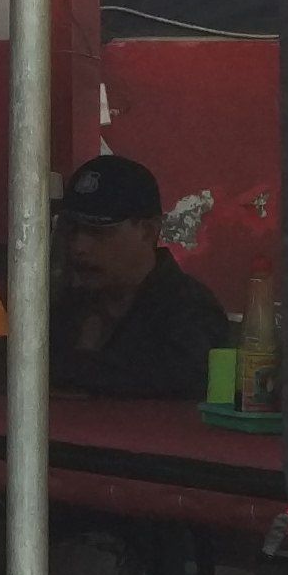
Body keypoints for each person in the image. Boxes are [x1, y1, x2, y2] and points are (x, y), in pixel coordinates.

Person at [56, 155, 233, 402]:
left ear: (148, 231)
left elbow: (177, 384)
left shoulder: (189, 310)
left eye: (98, 232)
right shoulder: (66, 305)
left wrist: (80, 364)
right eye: (73, 229)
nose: (79, 246)